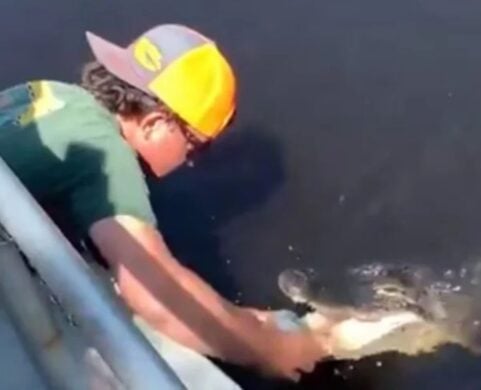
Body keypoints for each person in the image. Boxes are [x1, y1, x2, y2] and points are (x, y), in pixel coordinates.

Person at [0, 24, 327, 387]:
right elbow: (156, 293)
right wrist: (271, 348)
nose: (190, 162)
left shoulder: (53, 95)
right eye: (196, 146)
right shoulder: (106, 154)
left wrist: (244, 320)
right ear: (156, 123)